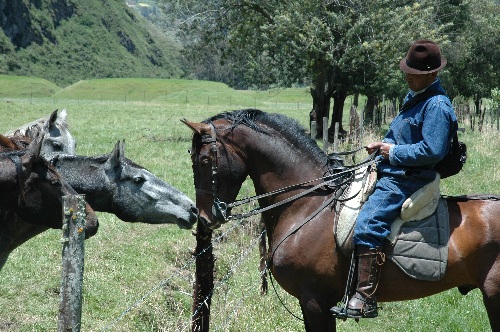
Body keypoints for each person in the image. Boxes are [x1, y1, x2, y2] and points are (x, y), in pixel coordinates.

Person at [330, 40, 458, 319]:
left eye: (414, 73)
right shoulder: (415, 96)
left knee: (368, 223)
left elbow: (432, 151)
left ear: (432, 74)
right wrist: (383, 145)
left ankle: (365, 298)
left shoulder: (436, 105)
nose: (408, 76)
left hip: (409, 179)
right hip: (393, 169)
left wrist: (394, 152)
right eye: (407, 71)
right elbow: (399, 134)